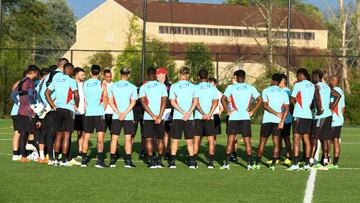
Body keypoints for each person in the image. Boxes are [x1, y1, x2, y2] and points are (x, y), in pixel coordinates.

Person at [220, 70, 262, 170]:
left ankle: (227, 164)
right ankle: (249, 165)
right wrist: (252, 111)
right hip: (245, 118)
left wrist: (227, 111)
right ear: (244, 77)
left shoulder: (231, 87)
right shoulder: (250, 88)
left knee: (230, 140)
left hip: (234, 117)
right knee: (247, 141)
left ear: (236, 77)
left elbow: (223, 99)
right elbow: (260, 100)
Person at [252, 73, 289, 171]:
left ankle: (257, 163)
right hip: (277, 121)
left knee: (262, 142)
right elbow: (287, 109)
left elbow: (265, 105)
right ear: (280, 82)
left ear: (272, 80)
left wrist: (276, 113)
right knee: (276, 143)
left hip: (267, 121)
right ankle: (272, 165)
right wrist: (282, 121)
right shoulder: (283, 92)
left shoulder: (266, 91)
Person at [45, 63, 79, 166]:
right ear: (68, 70)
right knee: (67, 135)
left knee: (58, 135)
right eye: (72, 70)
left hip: (58, 110)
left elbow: (47, 93)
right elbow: (76, 95)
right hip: (68, 109)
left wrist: (53, 106)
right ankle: (64, 160)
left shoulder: (56, 79)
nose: (73, 72)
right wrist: (76, 105)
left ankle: (55, 159)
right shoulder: (72, 81)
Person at [168, 67, 198, 169]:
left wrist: (183, 112)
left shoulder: (174, 86)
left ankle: (172, 162)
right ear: (188, 74)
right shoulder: (194, 86)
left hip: (178, 116)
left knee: (175, 140)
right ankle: (192, 162)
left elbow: (173, 103)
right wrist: (188, 113)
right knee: (189, 140)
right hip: (188, 117)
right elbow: (195, 102)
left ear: (179, 74)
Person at [310, 70, 341, 168]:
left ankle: (310, 162)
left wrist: (319, 109)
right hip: (328, 115)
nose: (312, 77)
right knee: (325, 139)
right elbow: (338, 96)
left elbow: (317, 97)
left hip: (321, 116)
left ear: (316, 76)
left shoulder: (316, 86)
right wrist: (331, 108)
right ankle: (325, 161)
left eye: (312, 76)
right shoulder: (327, 86)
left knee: (314, 138)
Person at [108, 67, 137, 168]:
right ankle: (128, 162)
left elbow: (110, 102)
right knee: (128, 139)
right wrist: (124, 113)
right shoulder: (132, 87)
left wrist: (119, 113)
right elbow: (133, 102)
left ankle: (112, 161)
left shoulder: (113, 86)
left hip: (116, 116)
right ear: (129, 75)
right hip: (128, 116)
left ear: (120, 74)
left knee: (114, 138)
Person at [139, 67, 168, 169]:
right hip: (160, 118)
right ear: (155, 75)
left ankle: (151, 161)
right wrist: (159, 116)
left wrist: (152, 115)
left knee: (148, 140)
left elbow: (143, 102)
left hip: (148, 117)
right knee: (160, 139)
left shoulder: (144, 87)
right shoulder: (162, 86)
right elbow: (164, 101)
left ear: (147, 75)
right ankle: (159, 161)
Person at [287, 68, 315, 171]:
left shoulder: (298, 85)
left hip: (298, 115)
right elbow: (313, 102)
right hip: (308, 115)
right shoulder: (312, 85)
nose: (296, 78)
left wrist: (293, 108)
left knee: (296, 138)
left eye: (297, 76)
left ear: (301, 75)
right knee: (306, 139)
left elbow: (292, 99)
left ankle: (295, 164)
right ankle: (307, 164)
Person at [80, 65, 108, 168]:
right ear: (100, 73)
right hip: (99, 113)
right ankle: (99, 161)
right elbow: (105, 98)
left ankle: (83, 160)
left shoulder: (85, 84)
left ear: (91, 73)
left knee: (86, 137)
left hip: (88, 114)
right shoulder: (102, 84)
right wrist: (102, 110)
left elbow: (85, 98)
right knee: (100, 138)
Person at [193, 69, 219, 169]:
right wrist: (209, 114)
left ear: (199, 77)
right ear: (207, 77)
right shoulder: (213, 88)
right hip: (209, 118)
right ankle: (210, 163)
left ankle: (194, 162)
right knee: (211, 140)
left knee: (196, 139)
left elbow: (196, 103)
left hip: (199, 117)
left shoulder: (196, 87)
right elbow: (215, 102)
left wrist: (204, 113)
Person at [16, 65, 41, 163]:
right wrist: (33, 107)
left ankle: (23, 157)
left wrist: (19, 103)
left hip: (21, 110)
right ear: (34, 72)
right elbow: (30, 95)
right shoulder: (30, 82)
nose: (36, 76)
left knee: (23, 134)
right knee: (36, 133)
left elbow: (13, 94)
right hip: (28, 112)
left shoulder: (21, 81)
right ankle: (40, 157)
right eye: (37, 74)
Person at [328, 75, 345, 169]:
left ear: (334, 81)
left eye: (331, 80)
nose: (329, 82)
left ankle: (329, 161)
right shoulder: (341, 91)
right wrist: (341, 119)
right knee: (335, 141)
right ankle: (335, 163)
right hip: (338, 120)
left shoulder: (335, 91)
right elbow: (343, 108)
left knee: (329, 141)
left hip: (333, 120)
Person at [156, 67, 173, 160]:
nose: (157, 75)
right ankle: (158, 151)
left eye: (158, 74)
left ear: (164, 74)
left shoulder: (170, 85)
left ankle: (167, 151)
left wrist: (171, 113)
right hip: (157, 111)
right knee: (157, 133)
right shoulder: (155, 85)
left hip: (167, 111)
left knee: (167, 133)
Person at [35, 68, 51, 163]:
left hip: (38, 111)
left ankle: (41, 155)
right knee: (47, 133)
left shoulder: (38, 85)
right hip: (44, 111)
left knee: (41, 134)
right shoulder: (45, 85)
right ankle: (45, 155)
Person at [279, 74, 292, 165]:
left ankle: (288, 156)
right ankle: (277, 156)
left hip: (286, 119)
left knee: (286, 137)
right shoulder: (280, 91)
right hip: (279, 119)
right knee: (278, 138)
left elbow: (288, 106)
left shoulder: (287, 91)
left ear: (283, 81)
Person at [74, 67, 85, 158]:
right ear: (77, 75)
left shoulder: (84, 85)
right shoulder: (71, 83)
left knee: (81, 133)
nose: (83, 76)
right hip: (72, 113)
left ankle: (80, 151)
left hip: (82, 112)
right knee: (68, 133)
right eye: (82, 74)